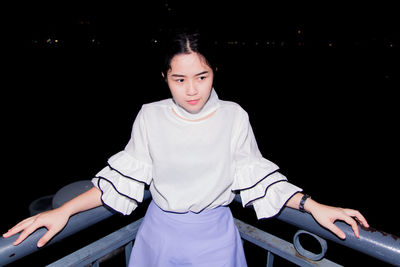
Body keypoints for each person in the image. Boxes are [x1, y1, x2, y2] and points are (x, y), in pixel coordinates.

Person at [3, 28, 369, 267]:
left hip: (216, 240)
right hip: (159, 237)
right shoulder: (150, 116)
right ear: (165, 78)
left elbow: (258, 178)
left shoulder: (233, 116)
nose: (191, 90)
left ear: (214, 73)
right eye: (179, 79)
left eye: (201, 77)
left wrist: (313, 205)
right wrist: (63, 212)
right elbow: (122, 180)